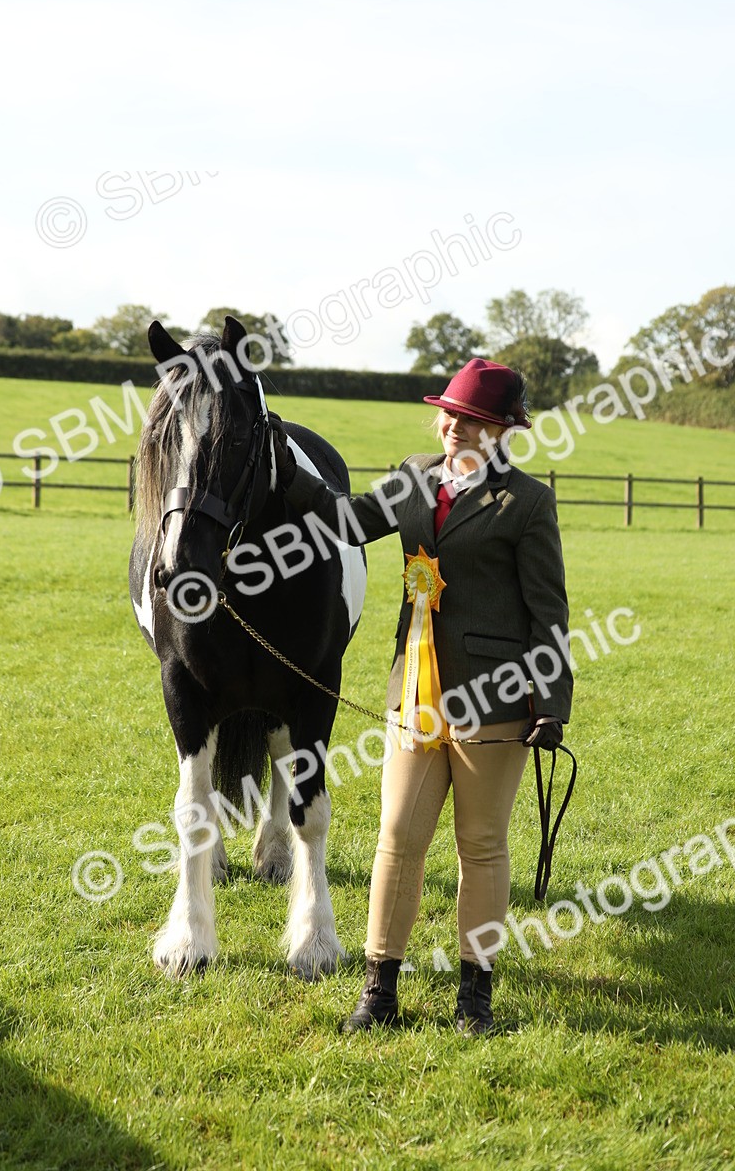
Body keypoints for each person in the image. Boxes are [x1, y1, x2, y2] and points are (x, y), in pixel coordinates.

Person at [269, 358, 572, 1034]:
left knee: (482, 847)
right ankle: (379, 992)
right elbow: (349, 522)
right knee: (397, 840)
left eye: (468, 421)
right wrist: (291, 478)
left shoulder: (527, 503)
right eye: (447, 415)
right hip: (413, 691)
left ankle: (475, 1000)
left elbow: (549, 611)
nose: (451, 428)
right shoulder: (414, 475)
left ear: (501, 430)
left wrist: (552, 701)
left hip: (495, 702)